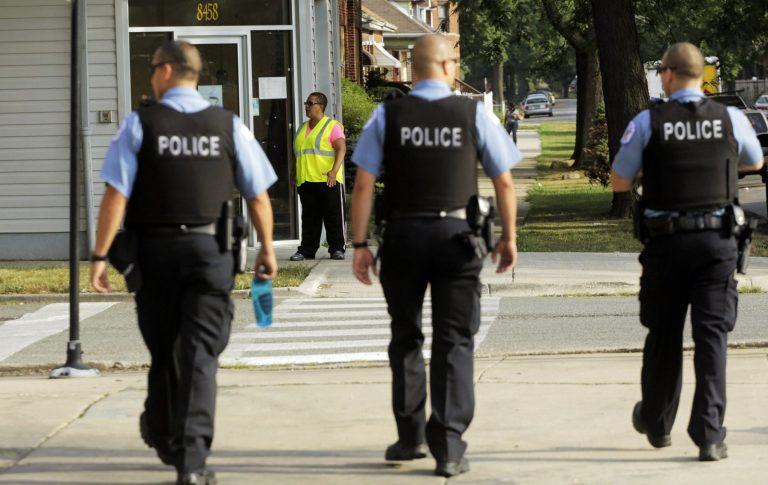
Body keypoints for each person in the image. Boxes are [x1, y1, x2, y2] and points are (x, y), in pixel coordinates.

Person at [90, 40, 278, 485]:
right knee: (198, 357)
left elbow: (116, 193)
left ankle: (163, 430)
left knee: (164, 350)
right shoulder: (229, 125)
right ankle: (190, 459)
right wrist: (267, 249)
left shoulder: (140, 125)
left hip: (154, 257)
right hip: (209, 254)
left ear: (169, 71)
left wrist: (100, 255)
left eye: (153, 68)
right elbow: (257, 195)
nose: (150, 76)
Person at [350, 34, 521, 477]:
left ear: (414, 68)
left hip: (403, 237)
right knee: (454, 341)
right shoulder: (473, 113)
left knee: (405, 337)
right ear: (447, 67)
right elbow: (503, 180)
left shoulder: (387, 115)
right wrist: (508, 238)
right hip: (457, 239)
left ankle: (409, 439)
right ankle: (448, 447)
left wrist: (361, 245)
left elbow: (364, 183)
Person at [611, 42, 763, 462]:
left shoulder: (648, 121)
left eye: (661, 71)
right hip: (717, 245)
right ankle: (710, 434)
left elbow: (620, 182)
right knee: (712, 339)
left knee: (664, 336)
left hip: (666, 244)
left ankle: (658, 424)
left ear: (669, 74)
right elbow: (753, 161)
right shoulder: (730, 118)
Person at [290, 92, 347, 261]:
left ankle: (337, 248)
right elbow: (299, 154)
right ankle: (306, 250)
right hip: (306, 180)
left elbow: (341, 149)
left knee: (333, 216)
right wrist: (294, 173)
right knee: (309, 218)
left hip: (327, 179)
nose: (306, 106)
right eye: (306, 103)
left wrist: (334, 171)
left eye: (310, 103)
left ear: (320, 106)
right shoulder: (301, 128)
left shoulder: (332, 126)